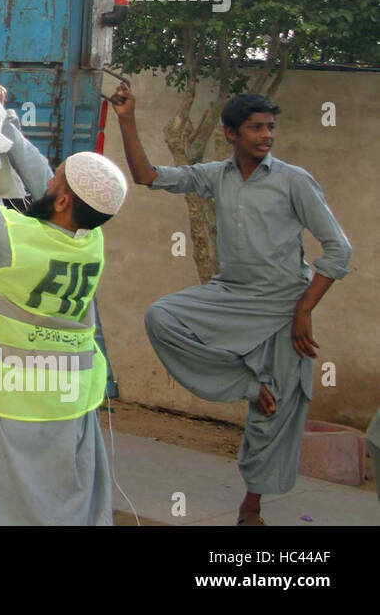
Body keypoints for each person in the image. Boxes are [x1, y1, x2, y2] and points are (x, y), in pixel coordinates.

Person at [111, 84, 352, 526]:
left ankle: (251, 510)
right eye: (256, 128)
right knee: (161, 316)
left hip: (282, 305)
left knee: (274, 412)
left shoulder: (293, 181)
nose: (266, 136)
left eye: (270, 128)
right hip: (231, 294)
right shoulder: (215, 175)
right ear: (231, 134)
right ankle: (244, 383)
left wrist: (303, 310)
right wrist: (127, 119)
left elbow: (339, 252)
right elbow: (147, 176)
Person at [0, 65, 127, 525]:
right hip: (68, 399)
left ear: (61, 200)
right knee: (58, 505)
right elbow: (43, 181)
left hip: (10, 400)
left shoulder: (13, 239)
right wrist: (3, 117)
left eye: (57, 180)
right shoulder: (91, 242)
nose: (49, 179)